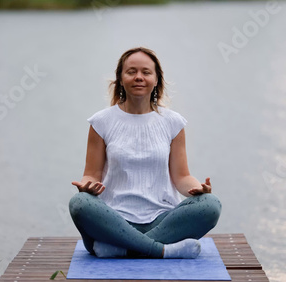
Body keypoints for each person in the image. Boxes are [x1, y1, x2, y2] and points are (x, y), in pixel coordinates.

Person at [69, 47, 222, 259]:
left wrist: (198, 188)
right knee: (80, 204)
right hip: (114, 219)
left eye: (146, 72)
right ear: (120, 79)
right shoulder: (101, 122)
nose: (139, 77)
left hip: (162, 218)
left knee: (210, 205)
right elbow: (92, 174)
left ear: (157, 79)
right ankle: (161, 250)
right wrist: (87, 186)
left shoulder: (173, 122)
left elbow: (182, 177)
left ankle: (123, 248)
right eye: (131, 72)